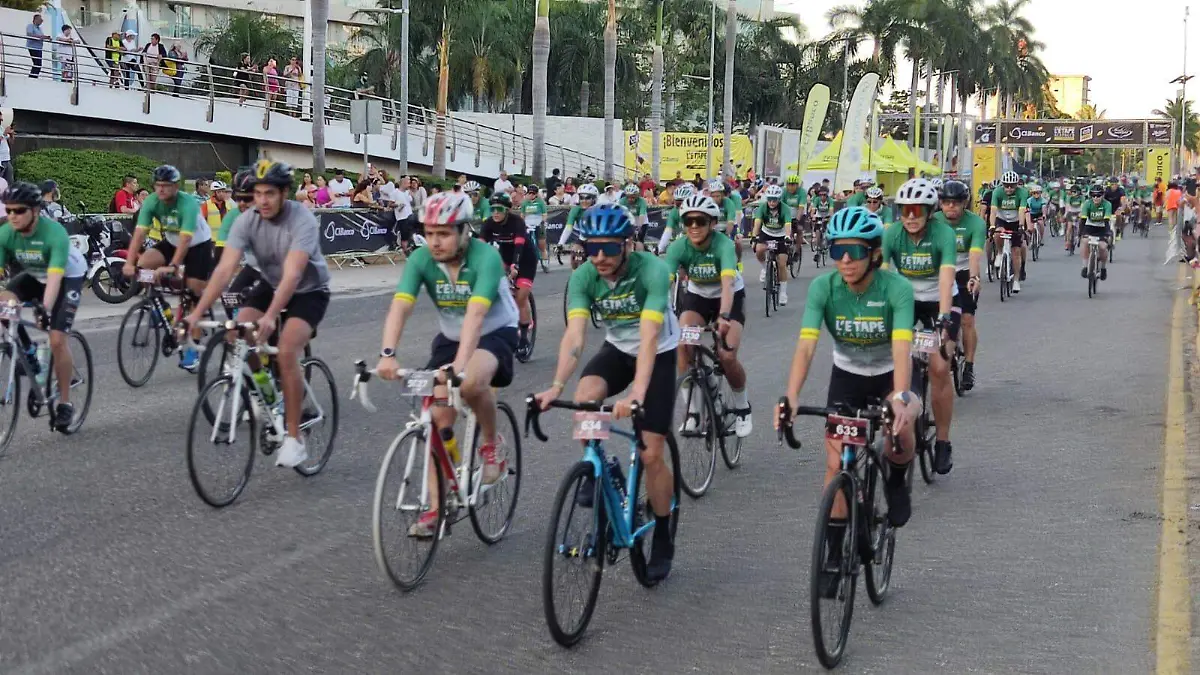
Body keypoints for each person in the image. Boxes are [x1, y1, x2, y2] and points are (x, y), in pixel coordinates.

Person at [533, 204, 680, 582]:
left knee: (651, 453)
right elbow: (575, 336)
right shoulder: (584, 276)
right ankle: (595, 468)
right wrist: (555, 386)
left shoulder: (653, 271)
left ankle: (663, 533)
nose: (599, 257)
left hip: (658, 353)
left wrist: (637, 394)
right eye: (591, 248)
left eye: (610, 248)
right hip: (617, 348)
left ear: (628, 245)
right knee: (585, 396)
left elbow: (649, 337)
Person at [778, 206, 918, 598]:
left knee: (903, 426)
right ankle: (834, 552)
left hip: (890, 371)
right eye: (837, 250)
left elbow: (902, 347)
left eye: (853, 252)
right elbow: (807, 346)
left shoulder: (897, 289)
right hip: (848, 375)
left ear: (874, 253)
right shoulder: (824, 288)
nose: (844, 260)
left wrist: (900, 398)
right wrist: (791, 396)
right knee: (836, 463)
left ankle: (896, 479)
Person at [378, 191, 519, 535]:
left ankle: (491, 446)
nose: (434, 242)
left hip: (495, 331)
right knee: (436, 420)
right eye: (429, 233)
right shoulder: (421, 259)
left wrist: (459, 365)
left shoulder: (486, 258)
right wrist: (387, 354)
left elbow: (477, 314)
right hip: (451, 336)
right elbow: (401, 305)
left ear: (464, 231)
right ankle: (436, 507)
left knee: (470, 382)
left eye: (443, 233)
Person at [185, 160, 330, 469]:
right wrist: (195, 313)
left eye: (270, 193)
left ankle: (294, 439)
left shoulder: (301, 219)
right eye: (258, 193)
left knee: (287, 350)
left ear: (285, 193)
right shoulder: (246, 221)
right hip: (270, 282)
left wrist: (270, 315)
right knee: (236, 331)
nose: (262, 200)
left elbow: (293, 274)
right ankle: (268, 392)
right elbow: (224, 270)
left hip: (308, 290)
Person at [884, 178, 959, 475]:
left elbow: (946, 278)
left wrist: (944, 318)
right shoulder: (892, 234)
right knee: (895, 359)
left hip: (940, 300)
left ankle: (942, 441)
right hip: (906, 301)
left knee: (939, 367)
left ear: (930, 212)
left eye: (918, 210)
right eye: (905, 210)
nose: (911, 217)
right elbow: (882, 276)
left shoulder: (943, 234)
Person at [0, 182, 88, 430]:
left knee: (57, 339)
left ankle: (65, 404)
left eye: (19, 210)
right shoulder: (6, 233)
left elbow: (55, 278)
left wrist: (44, 308)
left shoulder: (53, 233)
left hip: (65, 277)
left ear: (36, 211)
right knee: (4, 304)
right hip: (35, 275)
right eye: (9, 210)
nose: (12, 216)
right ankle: (29, 354)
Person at [665, 194, 752, 437]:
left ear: (712, 223)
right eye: (688, 221)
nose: (694, 226)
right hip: (698, 297)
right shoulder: (678, 247)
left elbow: (727, 285)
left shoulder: (723, 245)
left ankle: (743, 408)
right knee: (683, 345)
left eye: (700, 221)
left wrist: (724, 316)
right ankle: (693, 412)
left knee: (726, 354)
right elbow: (665, 284)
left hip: (729, 296)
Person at [122, 165, 215, 370]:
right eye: (158, 185)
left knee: (193, 293)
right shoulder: (151, 202)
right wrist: (129, 262)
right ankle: (161, 308)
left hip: (197, 244)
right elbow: (139, 233)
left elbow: (186, 238)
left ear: (176, 186)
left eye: (166, 185)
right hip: (172, 242)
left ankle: (193, 348)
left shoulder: (187, 203)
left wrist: (173, 266)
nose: (162, 189)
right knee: (144, 264)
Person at [933, 181, 984, 390]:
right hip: (937, 274)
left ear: (965, 203)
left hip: (964, 273)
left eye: (956, 202)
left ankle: (969, 366)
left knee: (967, 320)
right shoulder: (933, 221)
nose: (951, 206)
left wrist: (974, 278)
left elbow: (974, 255)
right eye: (946, 202)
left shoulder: (975, 223)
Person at [479, 192, 538, 352]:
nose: (495, 213)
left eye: (499, 209)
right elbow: (480, 247)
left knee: (520, 297)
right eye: (492, 209)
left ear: (507, 210)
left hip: (525, 259)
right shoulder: (489, 223)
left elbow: (519, 246)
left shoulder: (517, 222)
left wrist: (515, 265)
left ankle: (524, 338)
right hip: (505, 257)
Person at [750, 184, 793, 305]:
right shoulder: (763, 207)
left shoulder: (785, 209)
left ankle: (783, 293)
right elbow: (757, 223)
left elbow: (788, 224)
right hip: (767, 233)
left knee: (782, 264)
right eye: (769, 199)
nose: (772, 202)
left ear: (779, 200)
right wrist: (754, 236)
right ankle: (765, 268)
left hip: (781, 235)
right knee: (759, 249)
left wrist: (787, 236)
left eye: (774, 200)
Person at [989, 171, 1029, 293]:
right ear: (1003, 185)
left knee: (1016, 251)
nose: (1009, 188)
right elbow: (993, 211)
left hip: (1016, 220)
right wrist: (992, 226)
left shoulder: (1022, 192)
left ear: (1017, 185)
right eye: (1006, 185)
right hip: (1001, 219)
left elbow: (1022, 210)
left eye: (1012, 186)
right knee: (997, 233)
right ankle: (1000, 253)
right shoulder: (997, 192)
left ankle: (1016, 280)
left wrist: (1021, 226)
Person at [1079, 185, 1114, 281]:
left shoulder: (1107, 204)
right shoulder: (1087, 204)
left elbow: (1106, 221)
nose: (1096, 198)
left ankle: (1103, 268)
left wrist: (1107, 234)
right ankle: (1085, 266)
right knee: (1085, 242)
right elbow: (1083, 220)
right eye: (1093, 195)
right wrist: (1080, 234)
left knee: (1102, 247)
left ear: (1102, 196)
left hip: (1103, 227)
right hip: (1089, 226)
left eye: (1098, 195)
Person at [520, 183, 549, 262]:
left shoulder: (541, 202)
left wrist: (542, 222)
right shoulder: (524, 203)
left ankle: (544, 257)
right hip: (528, 224)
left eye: (533, 193)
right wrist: (522, 223)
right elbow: (522, 215)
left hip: (539, 223)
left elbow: (544, 214)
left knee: (541, 244)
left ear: (536, 194)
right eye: (529, 193)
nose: (531, 195)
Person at [26, 13, 47, 79]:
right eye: (40, 19)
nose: (41, 21)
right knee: (37, 63)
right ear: (35, 20)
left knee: (38, 64)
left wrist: (46, 37)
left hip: (39, 48)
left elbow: (41, 36)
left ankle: (34, 77)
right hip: (33, 47)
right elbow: (29, 34)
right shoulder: (30, 26)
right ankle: (32, 77)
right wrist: (40, 37)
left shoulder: (39, 28)